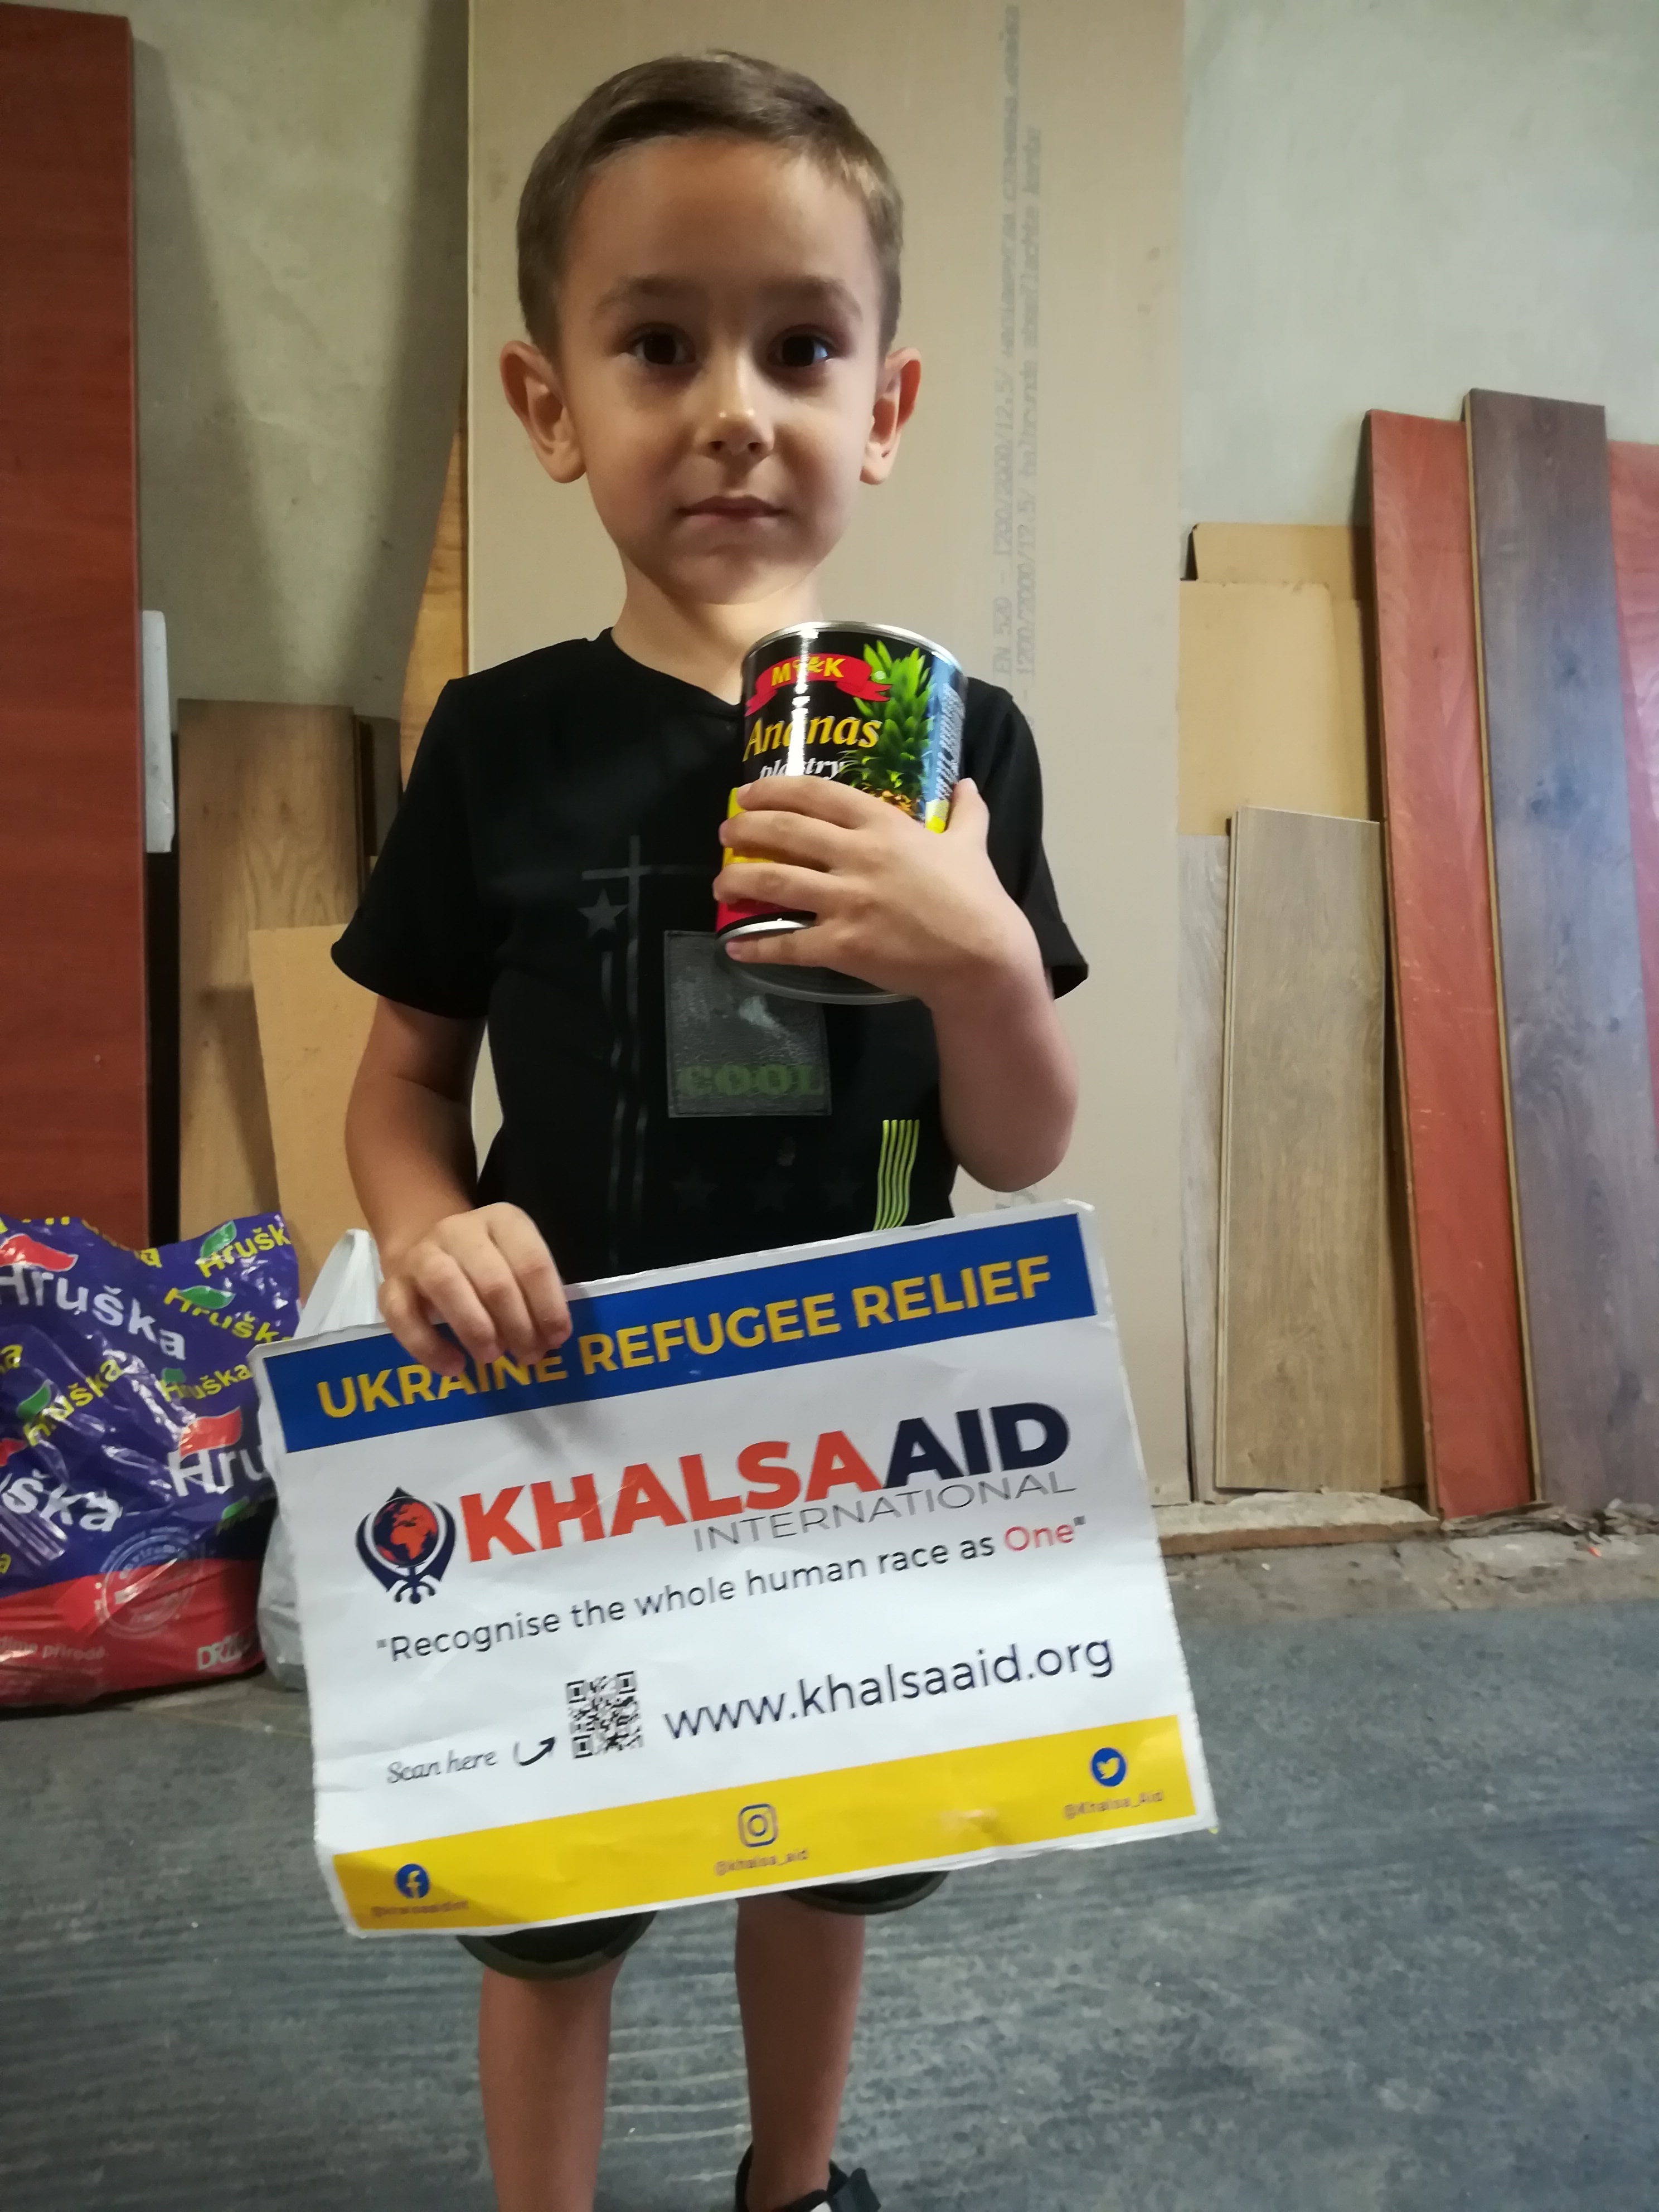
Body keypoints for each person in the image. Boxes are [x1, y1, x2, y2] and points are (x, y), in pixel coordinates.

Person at [333, 49, 1085, 2212]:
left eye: (802, 347)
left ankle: (795, 2182)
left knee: (827, 1851)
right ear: (549, 400)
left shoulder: (964, 747)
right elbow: (400, 1085)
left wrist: (984, 959)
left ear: (888, 404)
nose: (737, 408)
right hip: (567, 1418)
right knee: (554, 1892)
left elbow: (1022, 1147)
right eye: (659, 344)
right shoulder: (501, 743)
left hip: (856, 1429)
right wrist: (428, 1226)